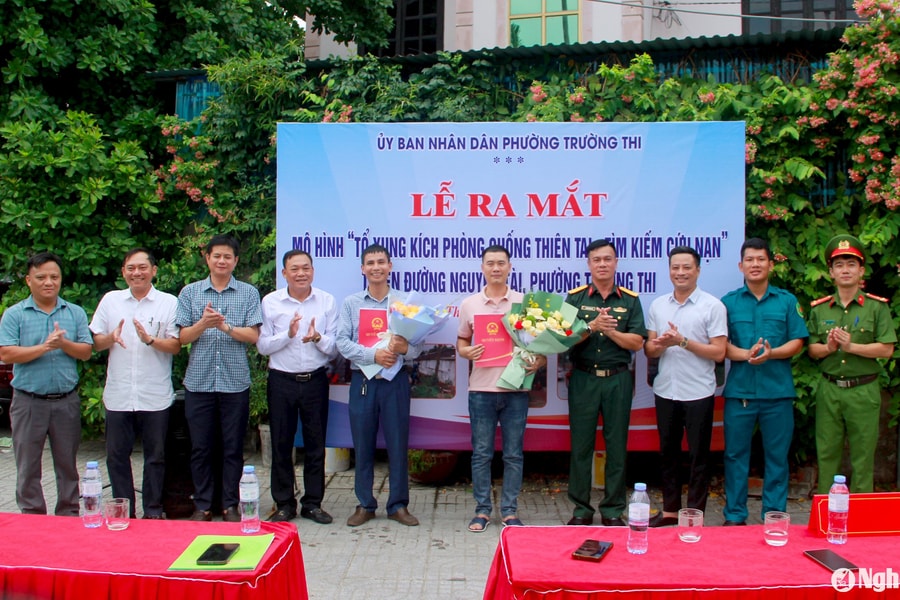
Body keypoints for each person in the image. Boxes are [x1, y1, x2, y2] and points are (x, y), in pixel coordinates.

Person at [457, 245, 546, 532]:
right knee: (481, 453)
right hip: (481, 391)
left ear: (510, 267)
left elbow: (540, 345)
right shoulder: (469, 304)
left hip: (516, 390)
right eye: (490, 263)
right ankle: (482, 510)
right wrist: (465, 351)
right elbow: (462, 341)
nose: (496, 268)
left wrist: (540, 360)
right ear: (482, 267)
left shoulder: (524, 303)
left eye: (501, 263)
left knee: (513, 454)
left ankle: (509, 511)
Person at [720, 238, 808, 525]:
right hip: (740, 392)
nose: (755, 264)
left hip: (777, 392)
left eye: (761, 259)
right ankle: (735, 515)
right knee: (735, 456)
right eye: (750, 259)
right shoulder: (729, 302)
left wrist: (772, 354)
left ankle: (774, 514)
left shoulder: (786, 301)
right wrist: (746, 355)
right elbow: (721, 345)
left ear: (771, 264)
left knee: (777, 457)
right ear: (740, 265)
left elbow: (797, 341)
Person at [176, 235, 262, 521]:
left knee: (232, 447)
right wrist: (203, 323)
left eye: (227, 257)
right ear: (207, 258)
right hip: (199, 383)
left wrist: (225, 327)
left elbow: (253, 335)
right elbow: (182, 337)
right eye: (217, 256)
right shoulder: (190, 292)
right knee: (200, 447)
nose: (222, 261)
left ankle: (230, 504)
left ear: (235, 261)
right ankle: (202, 504)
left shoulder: (248, 293)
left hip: (234, 383)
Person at [90, 248, 181, 519]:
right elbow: (95, 343)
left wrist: (150, 340)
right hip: (119, 394)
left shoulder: (168, 302)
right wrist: (110, 338)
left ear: (154, 270)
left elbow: (176, 345)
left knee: (156, 456)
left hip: (154, 394)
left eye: (142, 267)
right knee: (116, 456)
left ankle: (152, 510)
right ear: (123, 272)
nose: (136, 273)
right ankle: (124, 511)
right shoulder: (111, 301)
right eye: (131, 268)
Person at [336, 244, 422, 527]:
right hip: (363, 382)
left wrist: (404, 347)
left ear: (390, 266)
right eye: (370, 263)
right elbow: (342, 342)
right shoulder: (351, 303)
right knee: (362, 444)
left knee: (398, 443)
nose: (376, 267)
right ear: (363, 269)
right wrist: (372, 355)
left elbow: (419, 347)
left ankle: (398, 505)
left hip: (395, 382)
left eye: (381, 262)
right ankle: (365, 504)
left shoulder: (403, 303)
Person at [0, 252, 92, 516]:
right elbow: (6, 353)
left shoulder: (74, 312)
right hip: (28, 402)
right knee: (28, 467)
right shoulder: (15, 314)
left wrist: (63, 344)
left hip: (66, 402)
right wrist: (45, 347)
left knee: (67, 465)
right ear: (29, 280)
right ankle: (32, 517)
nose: (48, 282)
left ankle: (68, 514)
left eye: (54, 276)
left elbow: (86, 351)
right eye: (41, 277)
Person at [564, 239, 646, 527]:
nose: (602, 264)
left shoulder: (629, 300)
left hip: (617, 380)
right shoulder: (575, 298)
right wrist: (591, 327)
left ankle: (612, 510)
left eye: (607, 259)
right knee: (581, 446)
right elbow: (563, 339)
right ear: (589, 264)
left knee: (617, 445)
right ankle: (581, 510)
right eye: (596, 259)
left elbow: (637, 342)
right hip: (583, 378)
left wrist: (611, 332)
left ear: (616, 263)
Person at [644, 246, 727, 527]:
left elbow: (719, 352)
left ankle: (694, 514)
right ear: (669, 270)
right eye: (675, 267)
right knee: (667, 453)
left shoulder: (712, 306)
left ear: (698, 270)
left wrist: (682, 342)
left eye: (686, 267)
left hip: (698, 392)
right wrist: (660, 344)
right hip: (666, 389)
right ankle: (670, 510)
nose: (680, 273)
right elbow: (650, 350)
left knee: (698, 457)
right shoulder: (658, 305)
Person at [808, 234, 896, 493]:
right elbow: (812, 349)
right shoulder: (820, 309)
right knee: (827, 453)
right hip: (830, 389)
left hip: (863, 389)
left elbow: (887, 349)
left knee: (863, 456)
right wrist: (829, 348)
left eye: (851, 264)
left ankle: (861, 512)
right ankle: (826, 511)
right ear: (831, 273)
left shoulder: (876, 308)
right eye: (839, 265)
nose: (845, 270)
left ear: (861, 271)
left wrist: (851, 347)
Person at [258, 250, 338, 524]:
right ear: (284, 273)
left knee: (316, 444)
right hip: (281, 381)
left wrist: (317, 337)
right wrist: (288, 334)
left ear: (313, 271)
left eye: (306, 268)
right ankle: (284, 504)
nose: (301, 273)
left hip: (315, 380)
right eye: (294, 269)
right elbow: (262, 345)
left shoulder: (326, 301)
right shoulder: (271, 302)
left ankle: (313, 504)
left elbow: (334, 348)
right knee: (281, 444)